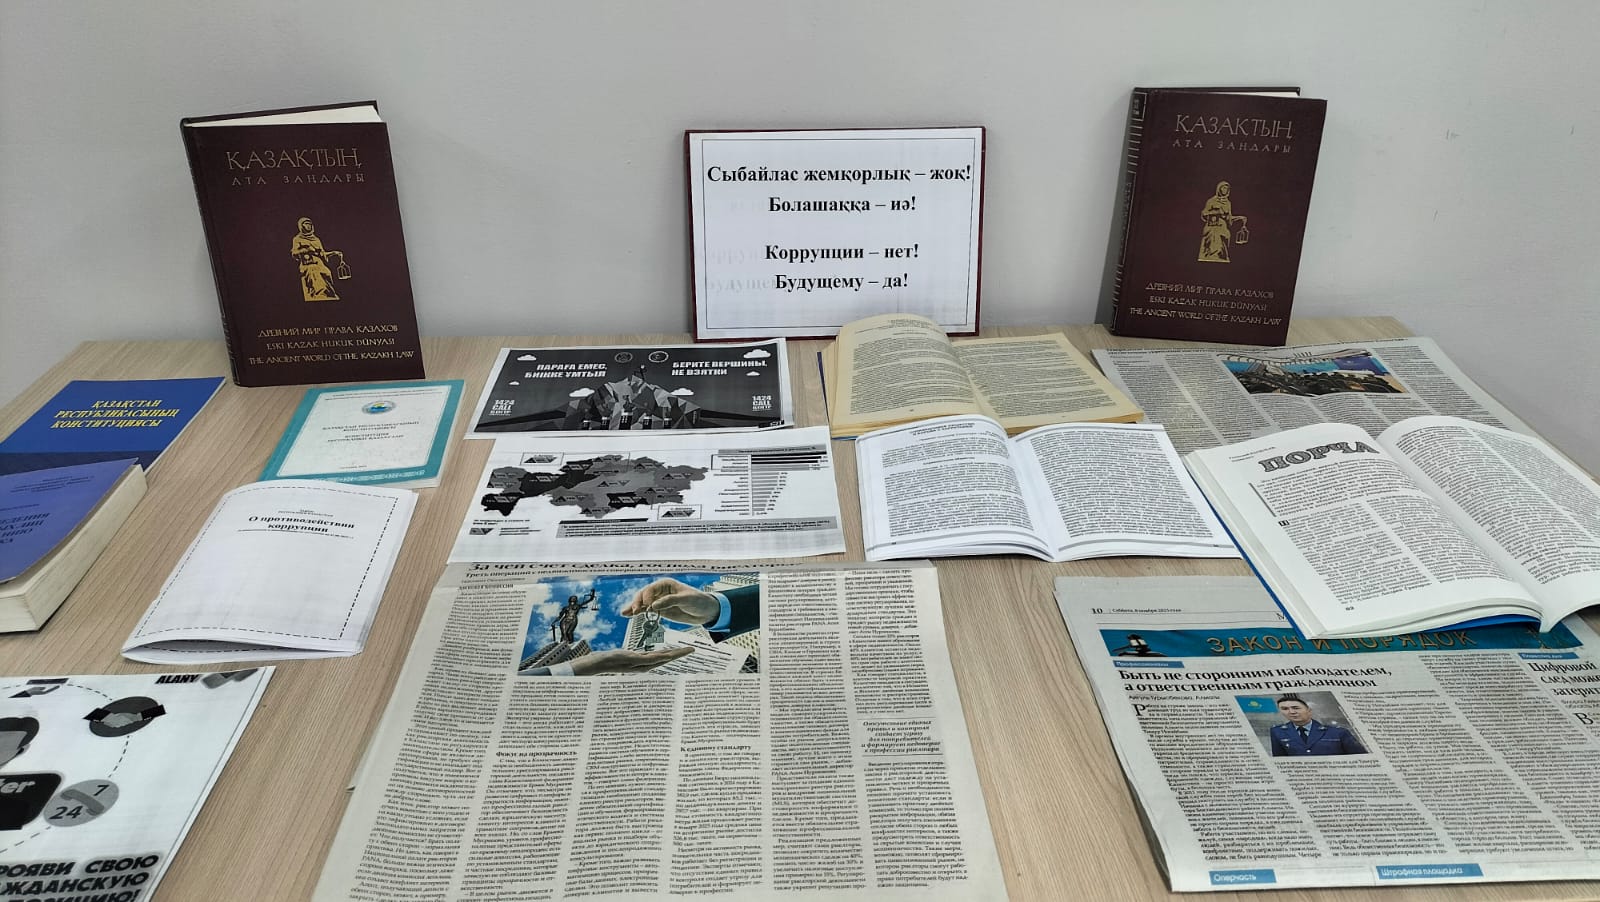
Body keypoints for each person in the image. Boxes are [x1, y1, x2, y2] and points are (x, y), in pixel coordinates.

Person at [1269, 695, 1366, 756]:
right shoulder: (1277, 732)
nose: (1291, 712)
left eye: (1296, 708)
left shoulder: (1338, 732)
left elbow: (1361, 757)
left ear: (1309, 710)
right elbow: (1280, 758)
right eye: (1285, 709)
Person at [291, 217, 341, 301]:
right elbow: (294, 253)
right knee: (314, 273)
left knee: (327, 272)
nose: (308, 226)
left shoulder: (316, 239)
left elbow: (322, 254)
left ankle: (328, 294)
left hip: (319, 263)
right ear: (301, 226)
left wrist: (333, 253)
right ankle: (319, 294)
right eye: (306, 224)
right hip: (308, 264)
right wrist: (307, 249)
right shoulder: (297, 239)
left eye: (310, 224)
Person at [1197, 181, 1246, 263]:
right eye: (1223, 188)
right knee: (1214, 234)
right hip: (1212, 225)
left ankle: (1221, 256)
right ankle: (1211, 256)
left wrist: (1239, 218)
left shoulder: (1228, 203)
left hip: (1223, 226)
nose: (1225, 190)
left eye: (1226, 189)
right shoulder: (1211, 201)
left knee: (1225, 234)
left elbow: (1228, 218)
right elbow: (1204, 214)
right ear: (1219, 189)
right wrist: (1216, 212)